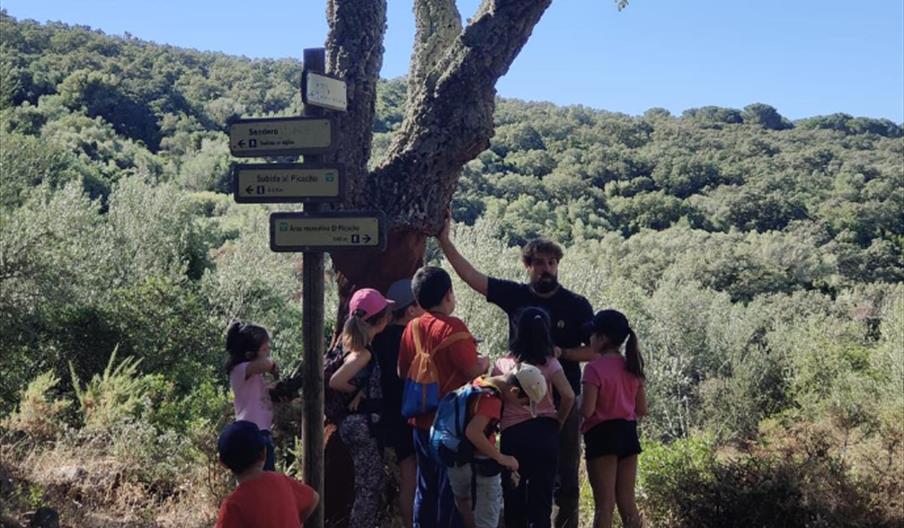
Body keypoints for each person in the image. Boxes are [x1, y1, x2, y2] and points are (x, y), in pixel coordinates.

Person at [437, 215, 593, 528]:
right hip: (514, 409)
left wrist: (564, 354)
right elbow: (472, 277)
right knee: (514, 480)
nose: (546, 268)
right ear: (527, 265)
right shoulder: (516, 296)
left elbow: (594, 350)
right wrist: (444, 242)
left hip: (563, 402)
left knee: (566, 480)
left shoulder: (576, 305)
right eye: (539, 263)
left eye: (552, 262)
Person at [398, 266, 490, 528]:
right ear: (449, 294)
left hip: (419, 420)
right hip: (451, 424)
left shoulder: (411, 327)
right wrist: (484, 363)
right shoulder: (454, 328)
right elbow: (472, 370)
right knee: (451, 491)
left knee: (425, 488)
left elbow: (402, 371)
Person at [494, 307, 575, 528]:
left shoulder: (503, 365)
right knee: (541, 502)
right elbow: (568, 395)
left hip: (513, 435)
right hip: (544, 432)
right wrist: (558, 420)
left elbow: (494, 397)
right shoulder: (549, 362)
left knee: (514, 500)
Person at [443, 364, 548, 528]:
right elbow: (474, 432)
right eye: (525, 402)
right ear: (514, 391)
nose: (524, 407)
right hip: (479, 465)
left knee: (464, 504)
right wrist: (502, 458)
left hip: (457, 459)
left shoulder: (480, 382)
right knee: (488, 521)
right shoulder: (491, 400)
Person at [329, 288, 394, 528]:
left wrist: (361, 389)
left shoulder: (346, 346)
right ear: (380, 320)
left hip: (354, 424)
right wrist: (356, 392)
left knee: (368, 483)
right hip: (362, 426)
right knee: (369, 486)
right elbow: (335, 381)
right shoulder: (362, 354)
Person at [580, 309, 647, 528]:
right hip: (628, 433)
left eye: (592, 334)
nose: (589, 339)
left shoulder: (593, 369)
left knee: (604, 506)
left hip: (601, 437)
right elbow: (642, 408)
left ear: (602, 338)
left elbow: (588, 411)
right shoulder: (633, 367)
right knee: (628, 503)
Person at [372, 279, 424, 528]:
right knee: (418, 477)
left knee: (407, 476)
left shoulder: (378, 339)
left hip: (390, 415)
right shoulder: (414, 339)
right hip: (416, 414)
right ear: (412, 310)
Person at [215, 420, 319, 527]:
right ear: (264, 453)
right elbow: (313, 498)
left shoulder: (233, 505)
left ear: (223, 464)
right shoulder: (281, 481)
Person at [224, 321, 279, 471]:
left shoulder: (254, 375)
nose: (268, 353)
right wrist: (274, 367)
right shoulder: (240, 370)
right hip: (252, 435)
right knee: (263, 481)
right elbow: (267, 364)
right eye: (264, 349)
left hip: (262, 432)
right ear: (249, 354)